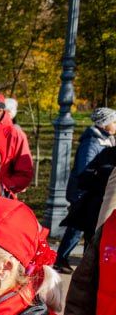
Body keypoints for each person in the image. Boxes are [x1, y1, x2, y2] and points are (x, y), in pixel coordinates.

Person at [56, 106, 116, 271]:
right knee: (76, 227)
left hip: (90, 190)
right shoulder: (92, 141)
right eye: (114, 121)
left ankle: (81, 262)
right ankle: (60, 259)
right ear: (105, 124)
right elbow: (85, 167)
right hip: (82, 191)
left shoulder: (106, 139)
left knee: (85, 227)